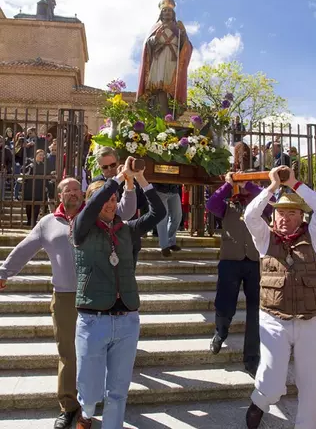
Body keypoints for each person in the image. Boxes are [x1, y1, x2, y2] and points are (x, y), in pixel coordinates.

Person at [0, 170, 138, 429]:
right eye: (68, 190)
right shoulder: (48, 223)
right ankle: (69, 406)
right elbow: (25, 249)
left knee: (100, 355)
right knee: (68, 354)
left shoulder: (97, 217)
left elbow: (128, 211)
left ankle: (99, 404)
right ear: (59, 196)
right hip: (65, 297)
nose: (73, 193)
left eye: (77, 189)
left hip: (100, 298)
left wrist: (129, 182)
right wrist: (4, 272)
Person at [72, 158, 166, 429]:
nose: (111, 204)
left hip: (126, 320)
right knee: (90, 391)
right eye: (105, 200)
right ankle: (86, 413)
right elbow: (90, 209)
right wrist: (116, 177)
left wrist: (139, 179)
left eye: (114, 199)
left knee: (118, 391)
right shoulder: (81, 229)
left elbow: (158, 213)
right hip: (93, 321)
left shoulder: (126, 230)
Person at [244, 166, 316, 429]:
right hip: (273, 319)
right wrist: (273, 187)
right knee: (272, 380)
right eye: (280, 213)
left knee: (313, 387)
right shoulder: (264, 239)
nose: (285, 218)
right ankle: (260, 401)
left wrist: (296, 184)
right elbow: (250, 215)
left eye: (291, 213)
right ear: (273, 217)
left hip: (312, 320)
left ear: (302, 217)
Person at [206, 172, 273, 377]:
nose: (242, 189)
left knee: (255, 312)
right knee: (224, 303)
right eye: (240, 185)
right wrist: (228, 185)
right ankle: (221, 331)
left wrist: (250, 185)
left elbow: (273, 200)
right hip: (230, 261)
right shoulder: (227, 205)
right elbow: (211, 204)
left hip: (255, 263)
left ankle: (251, 359)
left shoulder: (261, 205)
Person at [137, 0, 193, 115]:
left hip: (172, 60)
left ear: (173, 14)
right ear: (161, 13)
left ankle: (169, 112)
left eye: (169, 11)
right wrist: (154, 39)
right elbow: (147, 45)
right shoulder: (155, 27)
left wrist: (183, 33)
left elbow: (186, 47)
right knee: (157, 85)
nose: (167, 13)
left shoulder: (178, 28)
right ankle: (154, 108)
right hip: (158, 58)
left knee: (169, 85)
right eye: (165, 11)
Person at [153, 183, 182, 257]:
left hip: (174, 190)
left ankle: (171, 242)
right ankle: (164, 246)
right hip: (159, 190)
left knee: (177, 217)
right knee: (162, 218)